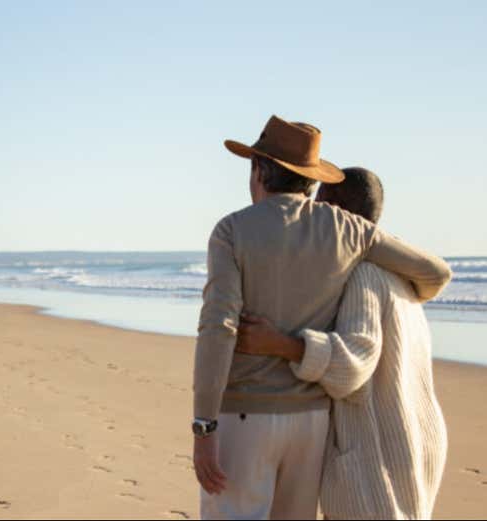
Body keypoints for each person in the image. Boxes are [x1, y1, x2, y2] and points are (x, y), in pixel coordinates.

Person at [192, 115, 451, 520]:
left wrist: (204, 426)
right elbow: (435, 273)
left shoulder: (231, 230)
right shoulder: (350, 230)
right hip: (311, 424)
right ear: (310, 180)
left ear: (259, 168)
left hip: (245, 416)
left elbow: (218, 329)